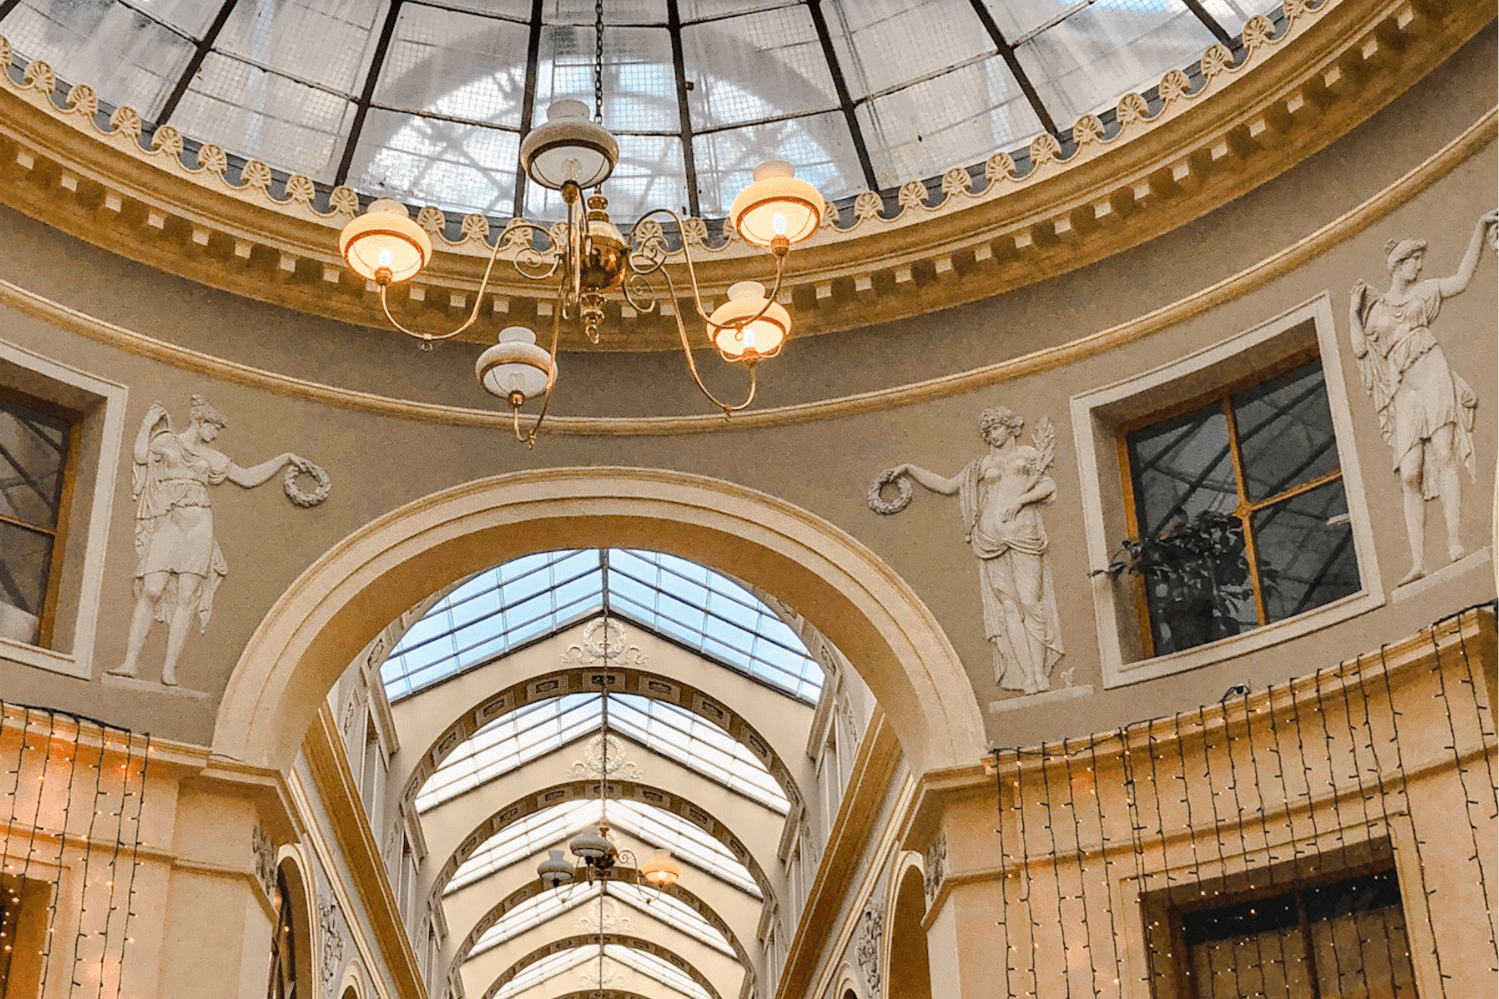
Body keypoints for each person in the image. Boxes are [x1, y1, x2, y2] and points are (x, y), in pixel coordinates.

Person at [108, 396, 308, 686]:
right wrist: (147, 424)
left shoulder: (213, 458)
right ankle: (129, 663)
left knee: (187, 596)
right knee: (151, 590)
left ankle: (169, 669)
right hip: (168, 525)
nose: (215, 435)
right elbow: (140, 456)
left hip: (200, 527)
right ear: (199, 422)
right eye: (213, 428)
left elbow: (248, 478)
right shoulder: (166, 441)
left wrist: (284, 458)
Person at [1349, 209, 1495, 585]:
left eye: (1419, 261)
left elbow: (1461, 280)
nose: (1418, 267)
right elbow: (1360, 350)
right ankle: (1417, 561)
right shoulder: (1378, 310)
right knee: (1409, 472)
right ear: (1398, 266)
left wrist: (1478, 228)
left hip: (1431, 371)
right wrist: (1352, 313)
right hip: (1404, 389)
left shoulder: (1427, 291)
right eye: (1413, 261)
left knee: (1445, 453)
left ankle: (1453, 541)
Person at [895, 407, 1064, 693]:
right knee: (1008, 607)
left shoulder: (1028, 454)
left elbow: (1047, 484)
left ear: (1010, 427)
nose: (992, 435)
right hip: (990, 540)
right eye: (988, 431)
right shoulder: (980, 465)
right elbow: (948, 485)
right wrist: (912, 470)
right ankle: (1028, 677)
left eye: (996, 427)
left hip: (1024, 534)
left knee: (1031, 603)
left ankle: (1040, 670)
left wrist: (1021, 500)